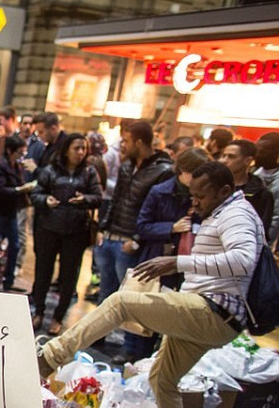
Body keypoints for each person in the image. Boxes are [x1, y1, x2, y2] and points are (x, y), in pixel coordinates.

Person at [39, 162, 264, 408]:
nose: (195, 202)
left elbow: (244, 259)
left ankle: (49, 358)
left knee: (121, 302)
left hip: (213, 311)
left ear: (225, 190)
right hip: (207, 311)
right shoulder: (221, 211)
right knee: (163, 380)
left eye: (202, 196)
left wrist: (177, 263)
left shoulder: (236, 213)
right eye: (191, 195)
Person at [30, 133, 102, 334]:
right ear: (66, 149)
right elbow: (36, 193)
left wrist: (85, 199)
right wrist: (45, 200)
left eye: (83, 149)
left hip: (76, 231)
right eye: (76, 148)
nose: (80, 152)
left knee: (69, 276)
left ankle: (58, 317)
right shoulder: (50, 170)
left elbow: (98, 197)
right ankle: (39, 312)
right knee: (43, 272)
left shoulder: (88, 173)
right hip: (49, 228)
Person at [96, 120, 174, 303]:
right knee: (104, 297)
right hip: (110, 237)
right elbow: (115, 199)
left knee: (129, 300)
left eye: (126, 141)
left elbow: (158, 212)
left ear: (138, 142)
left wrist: (137, 240)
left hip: (131, 243)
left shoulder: (163, 171)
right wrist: (103, 228)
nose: (123, 145)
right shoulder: (126, 167)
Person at [137, 147, 211, 292]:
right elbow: (142, 226)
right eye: (196, 174)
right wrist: (171, 228)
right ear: (183, 169)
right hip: (160, 259)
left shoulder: (207, 197)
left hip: (191, 264)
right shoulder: (159, 192)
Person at [0, 134, 27, 291]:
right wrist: (19, 190)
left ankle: (8, 280)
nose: (21, 156)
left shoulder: (17, 166)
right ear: (10, 151)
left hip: (11, 212)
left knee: (14, 246)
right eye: (19, 153)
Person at [222, 139, 273, 234]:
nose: (224, 160)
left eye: (231, 157)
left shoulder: (261, 194)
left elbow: (262, 231)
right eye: (224, 155)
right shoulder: (214, 187)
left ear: (248, 161)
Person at [254, 134, 279, 244]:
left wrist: (265, 245)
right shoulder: (254, 174)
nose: (256, 155)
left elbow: (276, 218)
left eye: (262, 151)